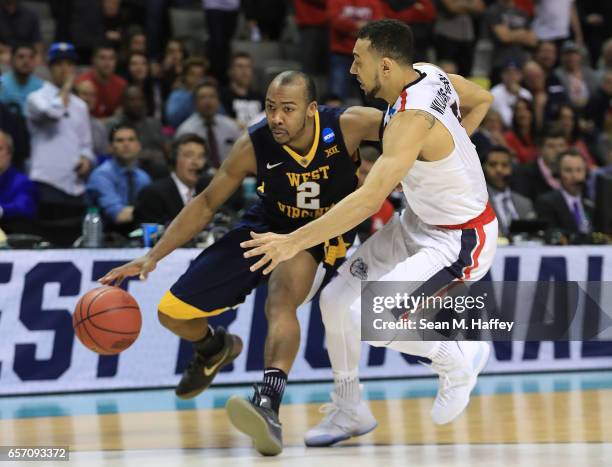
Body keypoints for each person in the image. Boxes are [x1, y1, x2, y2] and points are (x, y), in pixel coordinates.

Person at [241, 19, 497, 448]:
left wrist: (291, 241)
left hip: (458, 239)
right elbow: (482, 99)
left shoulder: (410, 119)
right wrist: (445, 152)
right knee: (336, 300)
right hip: (416, 221)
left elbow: (365, 201)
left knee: (371, 319)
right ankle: (349, 408)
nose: (352, 67)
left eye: (358, 60)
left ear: (384, 64)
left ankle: (457, 357)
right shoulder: (430, 75)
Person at [99, 70, 383, 456]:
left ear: (312, 109)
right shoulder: (255, 143)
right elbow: (205, 203)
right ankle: (214, 347)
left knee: (280, 299)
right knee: (171, 312)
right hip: (264, 225)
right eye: (270, 108)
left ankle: (267, 403)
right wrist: (152, 255)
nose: (277, 118)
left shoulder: (349, 125)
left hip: (319, 237)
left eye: (287, 109)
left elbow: (415, 131)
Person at [26, 42, 95, 243]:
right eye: (59, 64)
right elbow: (53, 113)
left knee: (73, 243)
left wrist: (86, 160)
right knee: (47, 243)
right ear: (49, 67)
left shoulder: (80, 106)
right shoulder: (35, 98)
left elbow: (86, 144)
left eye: (69, 64)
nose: (64, 69)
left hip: (75, 185)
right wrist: (66, 87)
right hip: (47, 183)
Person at [134, 133, 243, 225]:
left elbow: (234, 206)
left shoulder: (208, 187)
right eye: (188, 155)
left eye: (200, 156)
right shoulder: (153, 194)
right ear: (173, 159)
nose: (195, 162)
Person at [87, 124, 151, 234]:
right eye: (120, 140)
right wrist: (149, 210)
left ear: (138, 145)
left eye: (131, 140)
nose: (126, 144)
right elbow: (119, 216)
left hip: (136, 236)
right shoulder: (101, 175)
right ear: (111, 147)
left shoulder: (143, 177)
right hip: (105, 239)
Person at [176, 79, 241, 168]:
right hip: (199, 177)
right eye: (203, 97)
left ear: (218, 101)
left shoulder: (231, 127)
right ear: (195, 103)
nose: (208, 101)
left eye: (212, 96)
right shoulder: (186, 130)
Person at [535, 148, 593, 236]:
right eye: (568, 170)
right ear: (558, 174)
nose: (574, 176)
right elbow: (551, 233)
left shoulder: (590, 204)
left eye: (579, 170)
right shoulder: (547, 202)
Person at [483, 146, 534, 236]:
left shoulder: (525, 203)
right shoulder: (478, 201)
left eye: (504, 165)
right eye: (493, 165)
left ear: (512, 168)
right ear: (483, 167)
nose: (499, 170)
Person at [512, 125, 568, 202]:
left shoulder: (572, 173)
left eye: (561, 146)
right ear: (540, 149)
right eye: (551, 146)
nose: (558, 151)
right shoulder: (524, 173)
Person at [76, 44, 127, 118]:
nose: (107, 63)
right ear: (93, 60)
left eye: (111, 58)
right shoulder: (81, 83)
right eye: (102, 58)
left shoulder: (121, 84)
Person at [0, 130, 36, 234]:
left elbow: (24, 207)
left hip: (13, 240)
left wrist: (2, 210)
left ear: (9, 154)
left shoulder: (22, 182)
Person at [220, 52, 264, 129]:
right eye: (240, 66)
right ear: (230, 71)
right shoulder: (221, 96)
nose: (244, 71)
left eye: (248, 66)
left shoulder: (261, 97)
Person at [0, 43, 43, 115]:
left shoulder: (42, 87)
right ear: (11, 60)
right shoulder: (1, 83)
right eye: (21, 57)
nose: (26, 61)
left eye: (31, 57)